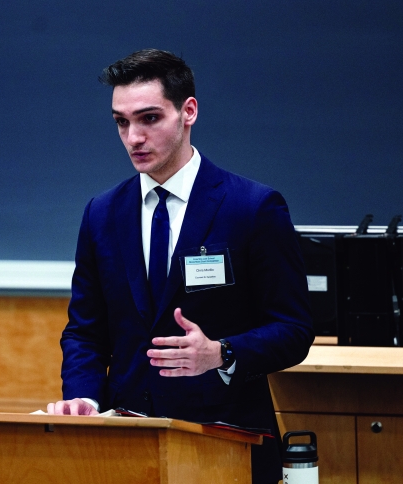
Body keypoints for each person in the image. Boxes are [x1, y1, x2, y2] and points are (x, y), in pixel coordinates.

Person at [47, 48, 314, 484]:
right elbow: (85, 331)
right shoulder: (102, 213)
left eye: (149, 118)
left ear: (188, 111)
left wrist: (221, 353)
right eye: (121, 121)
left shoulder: (252, 207)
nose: (133, 137)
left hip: (225, 441)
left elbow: (295, 329)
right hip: (126, 442)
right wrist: (83, 398)